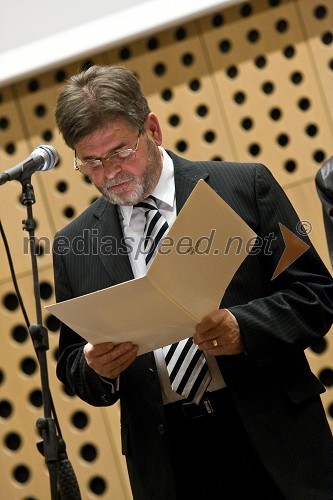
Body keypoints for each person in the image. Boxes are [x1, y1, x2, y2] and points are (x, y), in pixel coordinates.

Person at [53, 65, 333, 500]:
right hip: (168, 459)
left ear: (152, 129)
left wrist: (246, 328)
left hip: (274, 436)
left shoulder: (244, 187)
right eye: (90, 161)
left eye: (119, 152)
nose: (108, 173)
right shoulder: (73, 247)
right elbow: (71, 363)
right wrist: (95, 369)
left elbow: (316, 294)